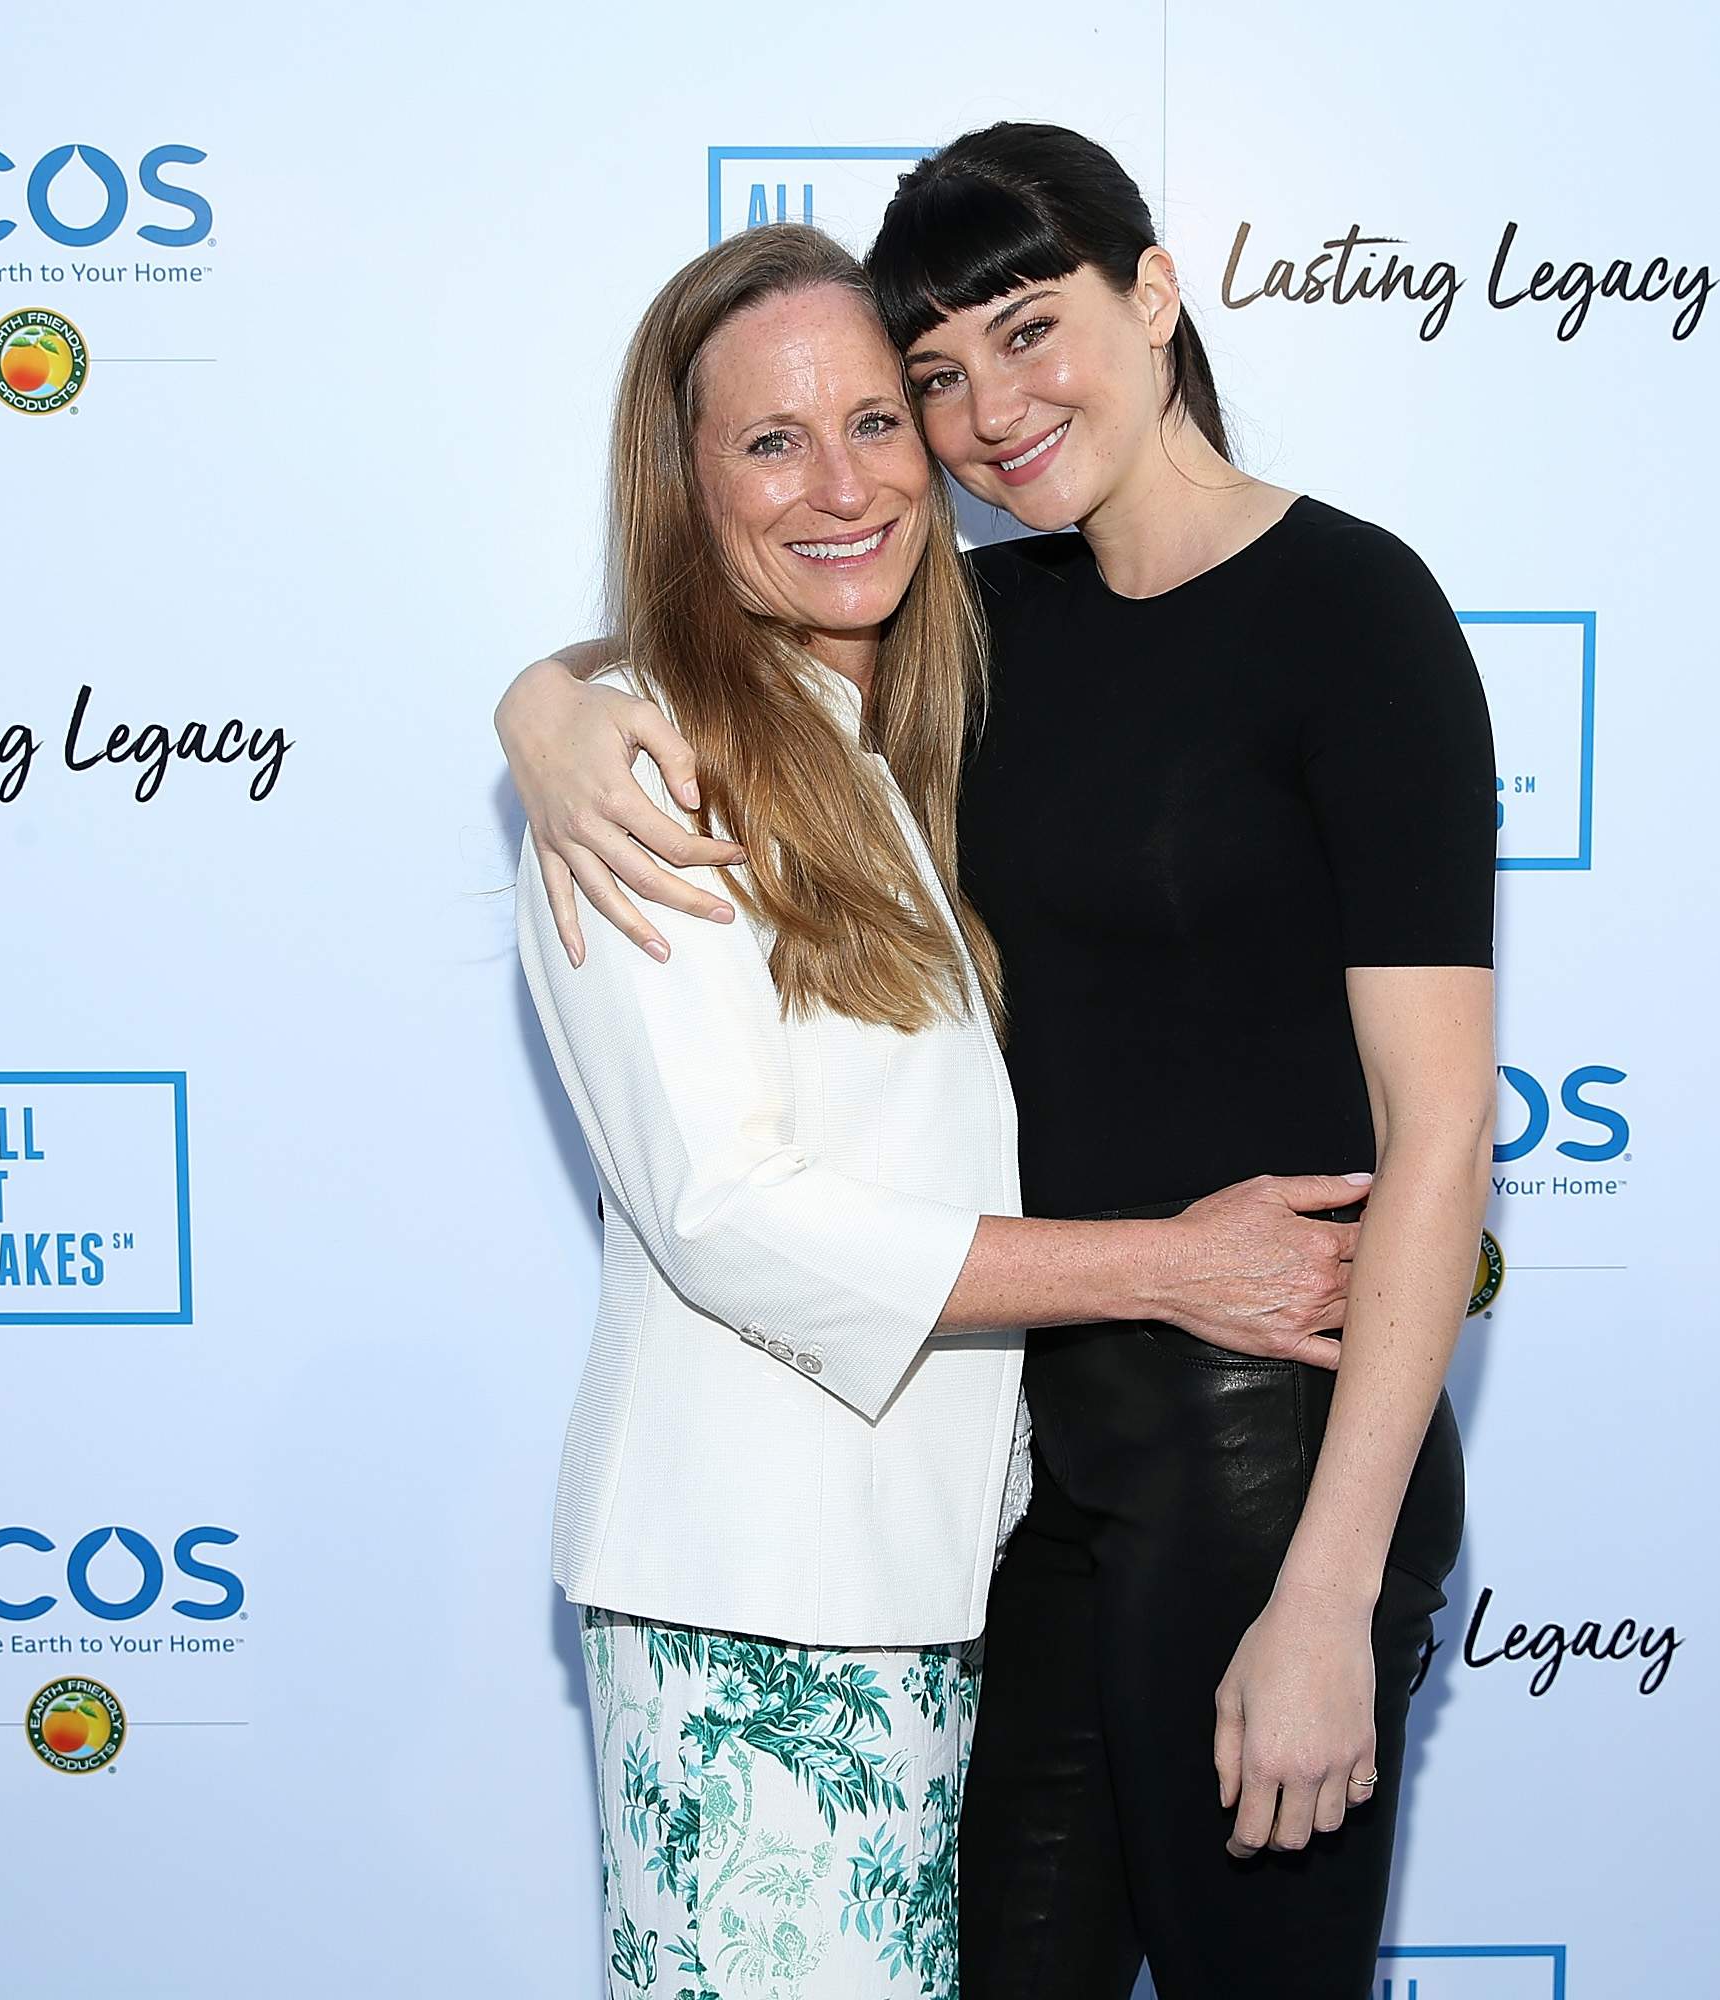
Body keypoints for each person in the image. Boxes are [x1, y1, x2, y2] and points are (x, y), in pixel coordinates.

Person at [503, 130, 1494, 1996]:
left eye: (1028, 336)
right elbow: (705, 653)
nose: (985, 415)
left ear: (1157, 292)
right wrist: (548, 712)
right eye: (939, 378)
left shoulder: (1354, 615)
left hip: (1262, 1460)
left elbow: (1441, 1138)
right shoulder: (987, 627)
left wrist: (1331, 1589)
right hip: (1019, 1497)